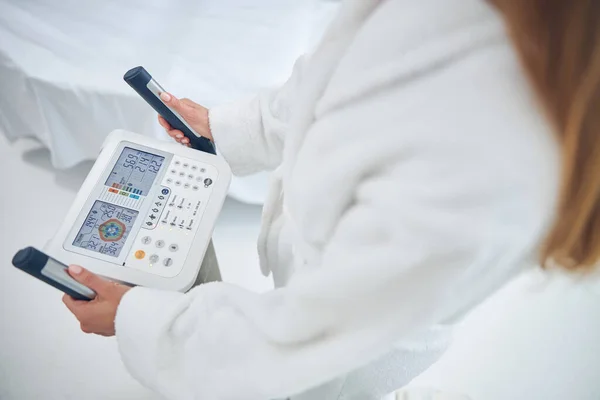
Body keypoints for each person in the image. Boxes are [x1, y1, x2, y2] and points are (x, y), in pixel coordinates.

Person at [62, 0, 600, 399]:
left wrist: (137, 320)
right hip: (332, 287)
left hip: (342, 358)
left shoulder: (491, 173)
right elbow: (332, 74)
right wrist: (228, 128)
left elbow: (295, 339)